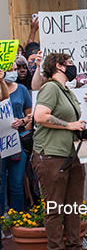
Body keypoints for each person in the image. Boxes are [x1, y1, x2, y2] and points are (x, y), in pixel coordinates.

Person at [32, 52, 87, 250]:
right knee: (55, 208)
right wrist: (69, 125)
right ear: (59, 66)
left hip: (70, 155)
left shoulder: (66, 90)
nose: (73, 67)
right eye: (69, 63)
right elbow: (40, 116)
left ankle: (75, 245)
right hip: (52, 156)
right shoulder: (50, 87)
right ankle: (56, 247)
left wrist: (78, 129)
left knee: (73, 206)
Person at [0, 57, 32, 215]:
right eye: (10, 70)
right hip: (1, 142)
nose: (14, 73)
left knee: (17, 184)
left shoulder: (22, 89)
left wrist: (21, 121)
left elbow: (30, 116)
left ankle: (18, 220)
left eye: (15, 69)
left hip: (17, 141)